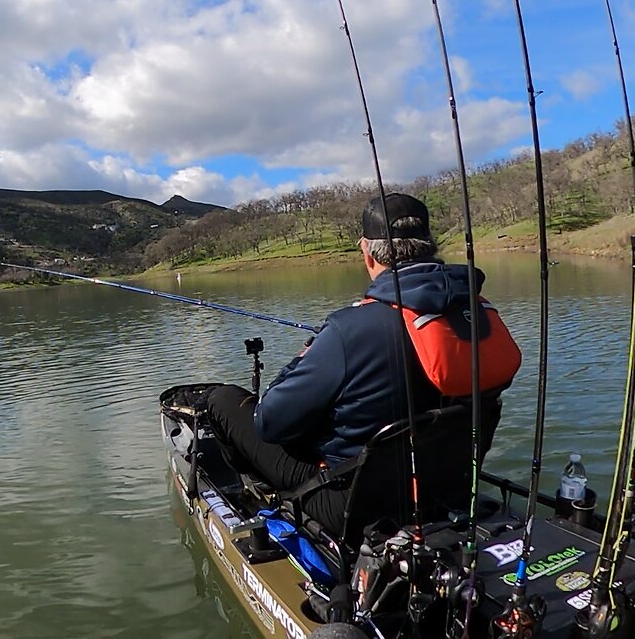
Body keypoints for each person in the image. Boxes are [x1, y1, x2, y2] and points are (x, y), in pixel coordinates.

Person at [205, 192, 520, 535]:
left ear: (367, 252)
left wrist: (308, 354)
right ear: (429, 244)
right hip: (450, 489)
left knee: (222, 400)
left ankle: (260, 500)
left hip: (351, 506)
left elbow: (269, 422)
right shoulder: (480, 313)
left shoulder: (349, 329)